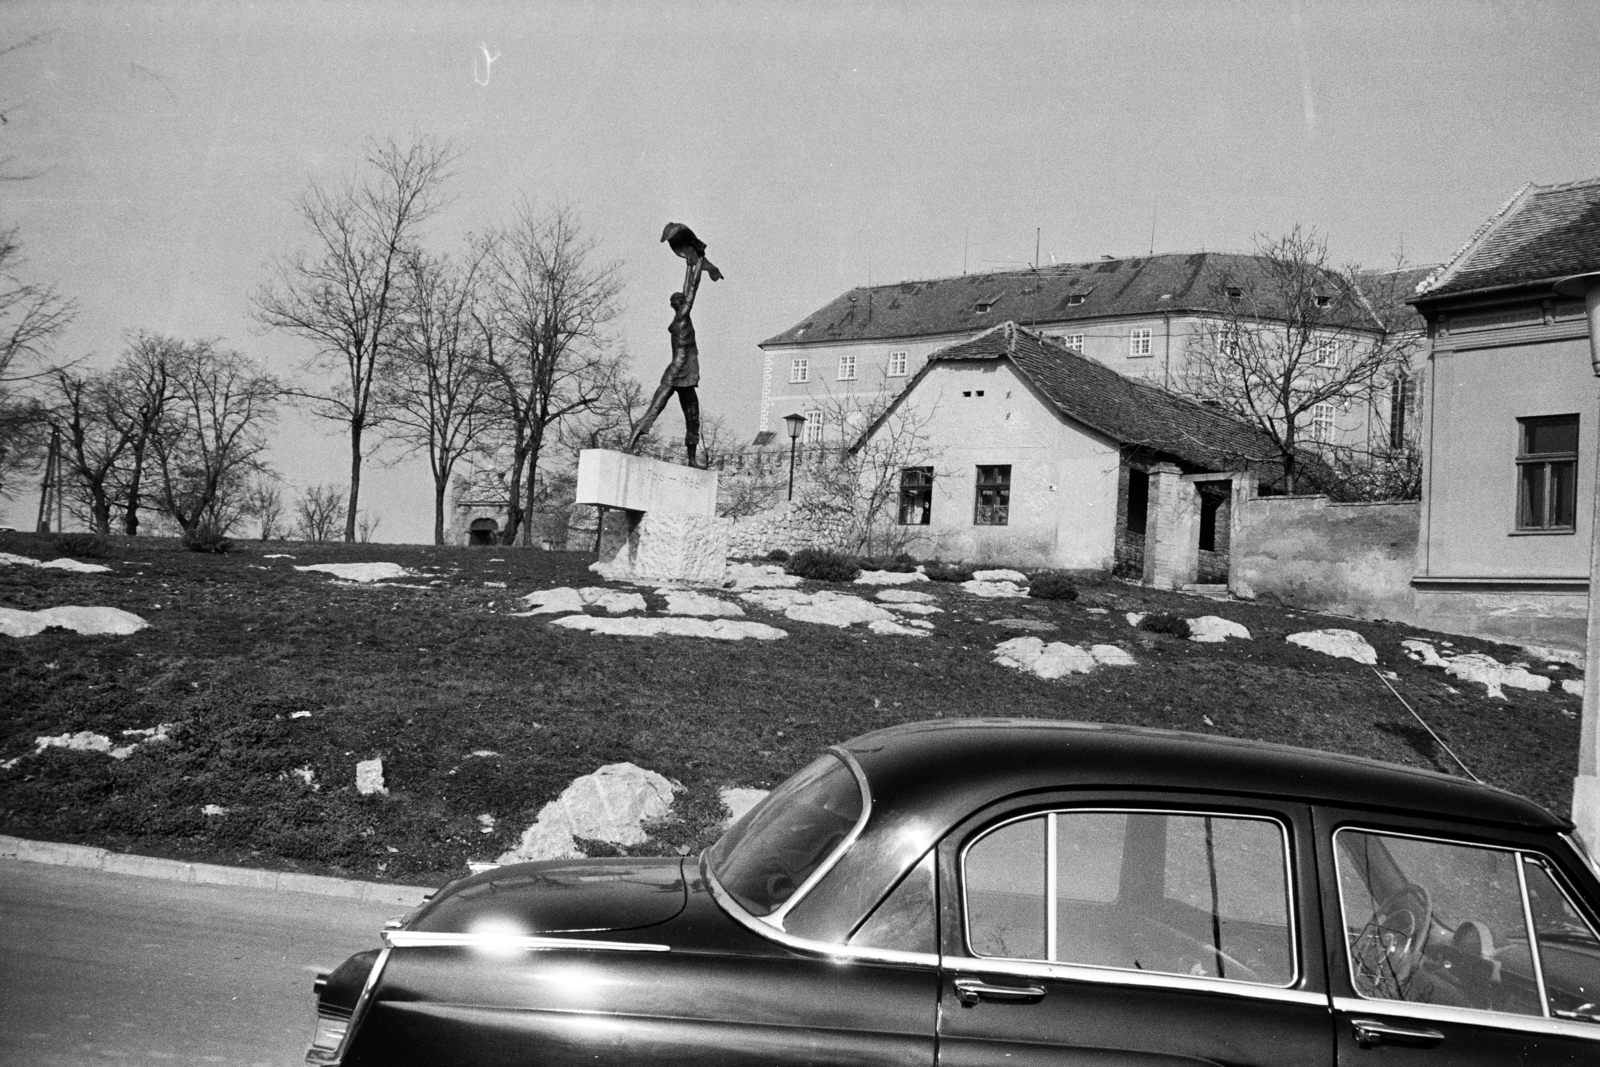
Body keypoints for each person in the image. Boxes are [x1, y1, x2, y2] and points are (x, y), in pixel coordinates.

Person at [628, 224, 722, 465]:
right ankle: (630, 444)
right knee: (654, 410)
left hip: (685, 374)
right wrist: (699, 260)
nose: (684, 301)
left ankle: (691, 458)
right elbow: (693, 288)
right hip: (679, 371)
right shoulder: (681, 318)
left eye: (682, 300)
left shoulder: (680, 318)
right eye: (680, 301)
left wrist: (691, 264)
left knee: (692, 416)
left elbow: (687, 286)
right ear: (676, 305)